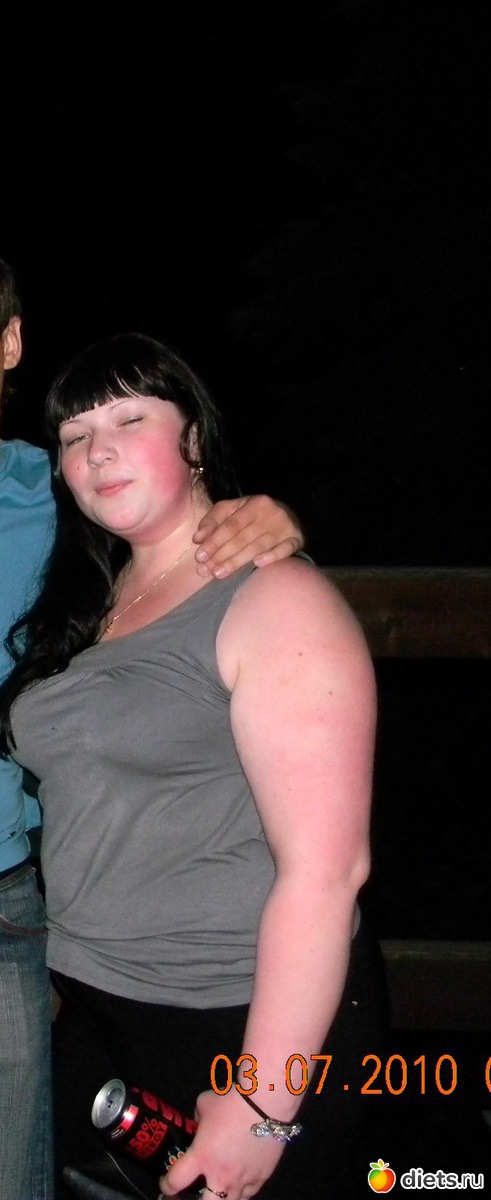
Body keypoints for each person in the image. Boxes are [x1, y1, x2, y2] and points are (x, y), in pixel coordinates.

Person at [0, 332, 387, 1200]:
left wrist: (263, 1104)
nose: (98, 451)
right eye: (75, 436)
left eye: (129, 421)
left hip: (237, 1016)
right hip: (95, 1007)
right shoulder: (91, 601)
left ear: (195, 438)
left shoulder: (274, 597)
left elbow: (327, 872)